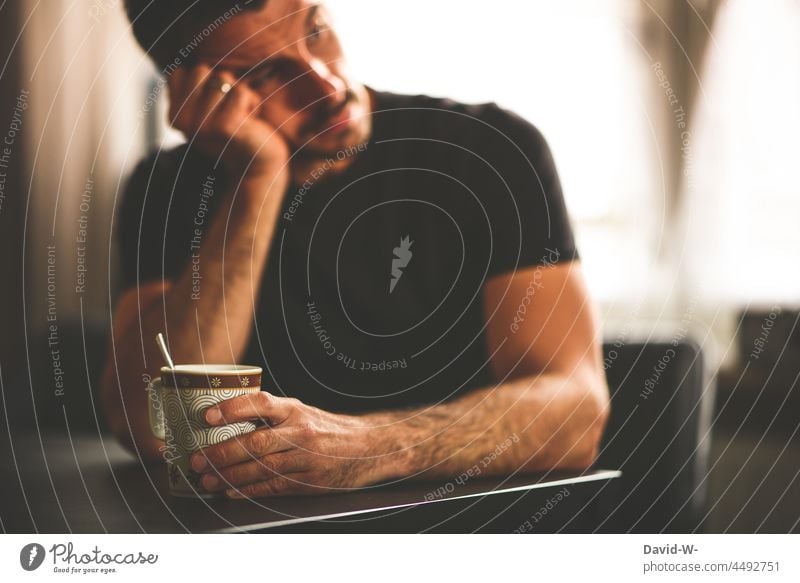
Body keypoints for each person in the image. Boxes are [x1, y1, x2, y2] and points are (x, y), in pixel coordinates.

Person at [101, 0, 610, 499]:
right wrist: (256, 179)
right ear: (197, 93)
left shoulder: (491, 151)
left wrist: (367, 448)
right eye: (263, 74)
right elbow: (156, 430)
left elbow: (575, 412)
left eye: (315, 30)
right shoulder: (165, 191)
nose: (327, 85)